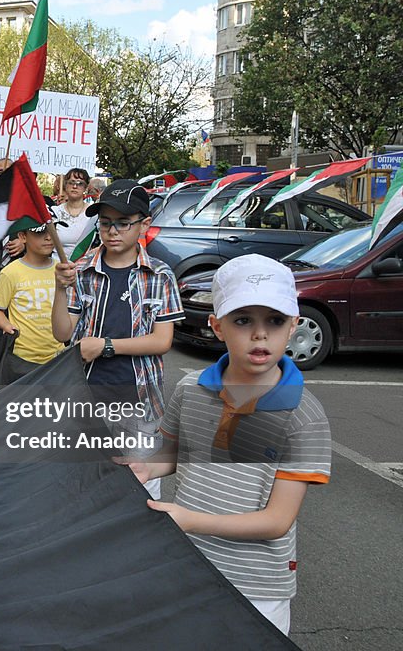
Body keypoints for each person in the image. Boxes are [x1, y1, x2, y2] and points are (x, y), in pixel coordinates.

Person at [129, 255, 331, 634]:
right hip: (188, 566)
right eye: (243, 320)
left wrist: (188, 521)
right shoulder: (190, 389)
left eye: (274, 321)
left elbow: (276, 521)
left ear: (293, 326)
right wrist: (143, 466)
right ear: (216, 326)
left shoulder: (304, 415)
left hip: (257, 587)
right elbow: (172, 453)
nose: (260, 335)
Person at [51, 179, 184, 498]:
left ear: (144, 224)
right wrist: (59, 289)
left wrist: (107, 346)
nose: (112, 231)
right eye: (106, 223)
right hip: (87, 400)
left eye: (123, 223)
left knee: (139, 487)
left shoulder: (160, 275)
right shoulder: (82, 271)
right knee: (84, 485)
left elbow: (161, 340)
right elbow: (61, 332)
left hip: (139, 403)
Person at [0, 223, 63, 383]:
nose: (49, 237)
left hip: (58, 356)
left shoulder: (61, 269)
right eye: (40, 232)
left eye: (52, 230)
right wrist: (8, 327)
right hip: (23, 358)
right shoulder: (10, 273)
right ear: (23, 237)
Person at [50, 167, 95, 260]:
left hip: (83, 267)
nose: (75, 186)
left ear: (85, 188)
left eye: (80, 183)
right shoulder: (54, 212)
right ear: (65, 186)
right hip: (56, 267)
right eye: (71, 182)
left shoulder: (94, 213)